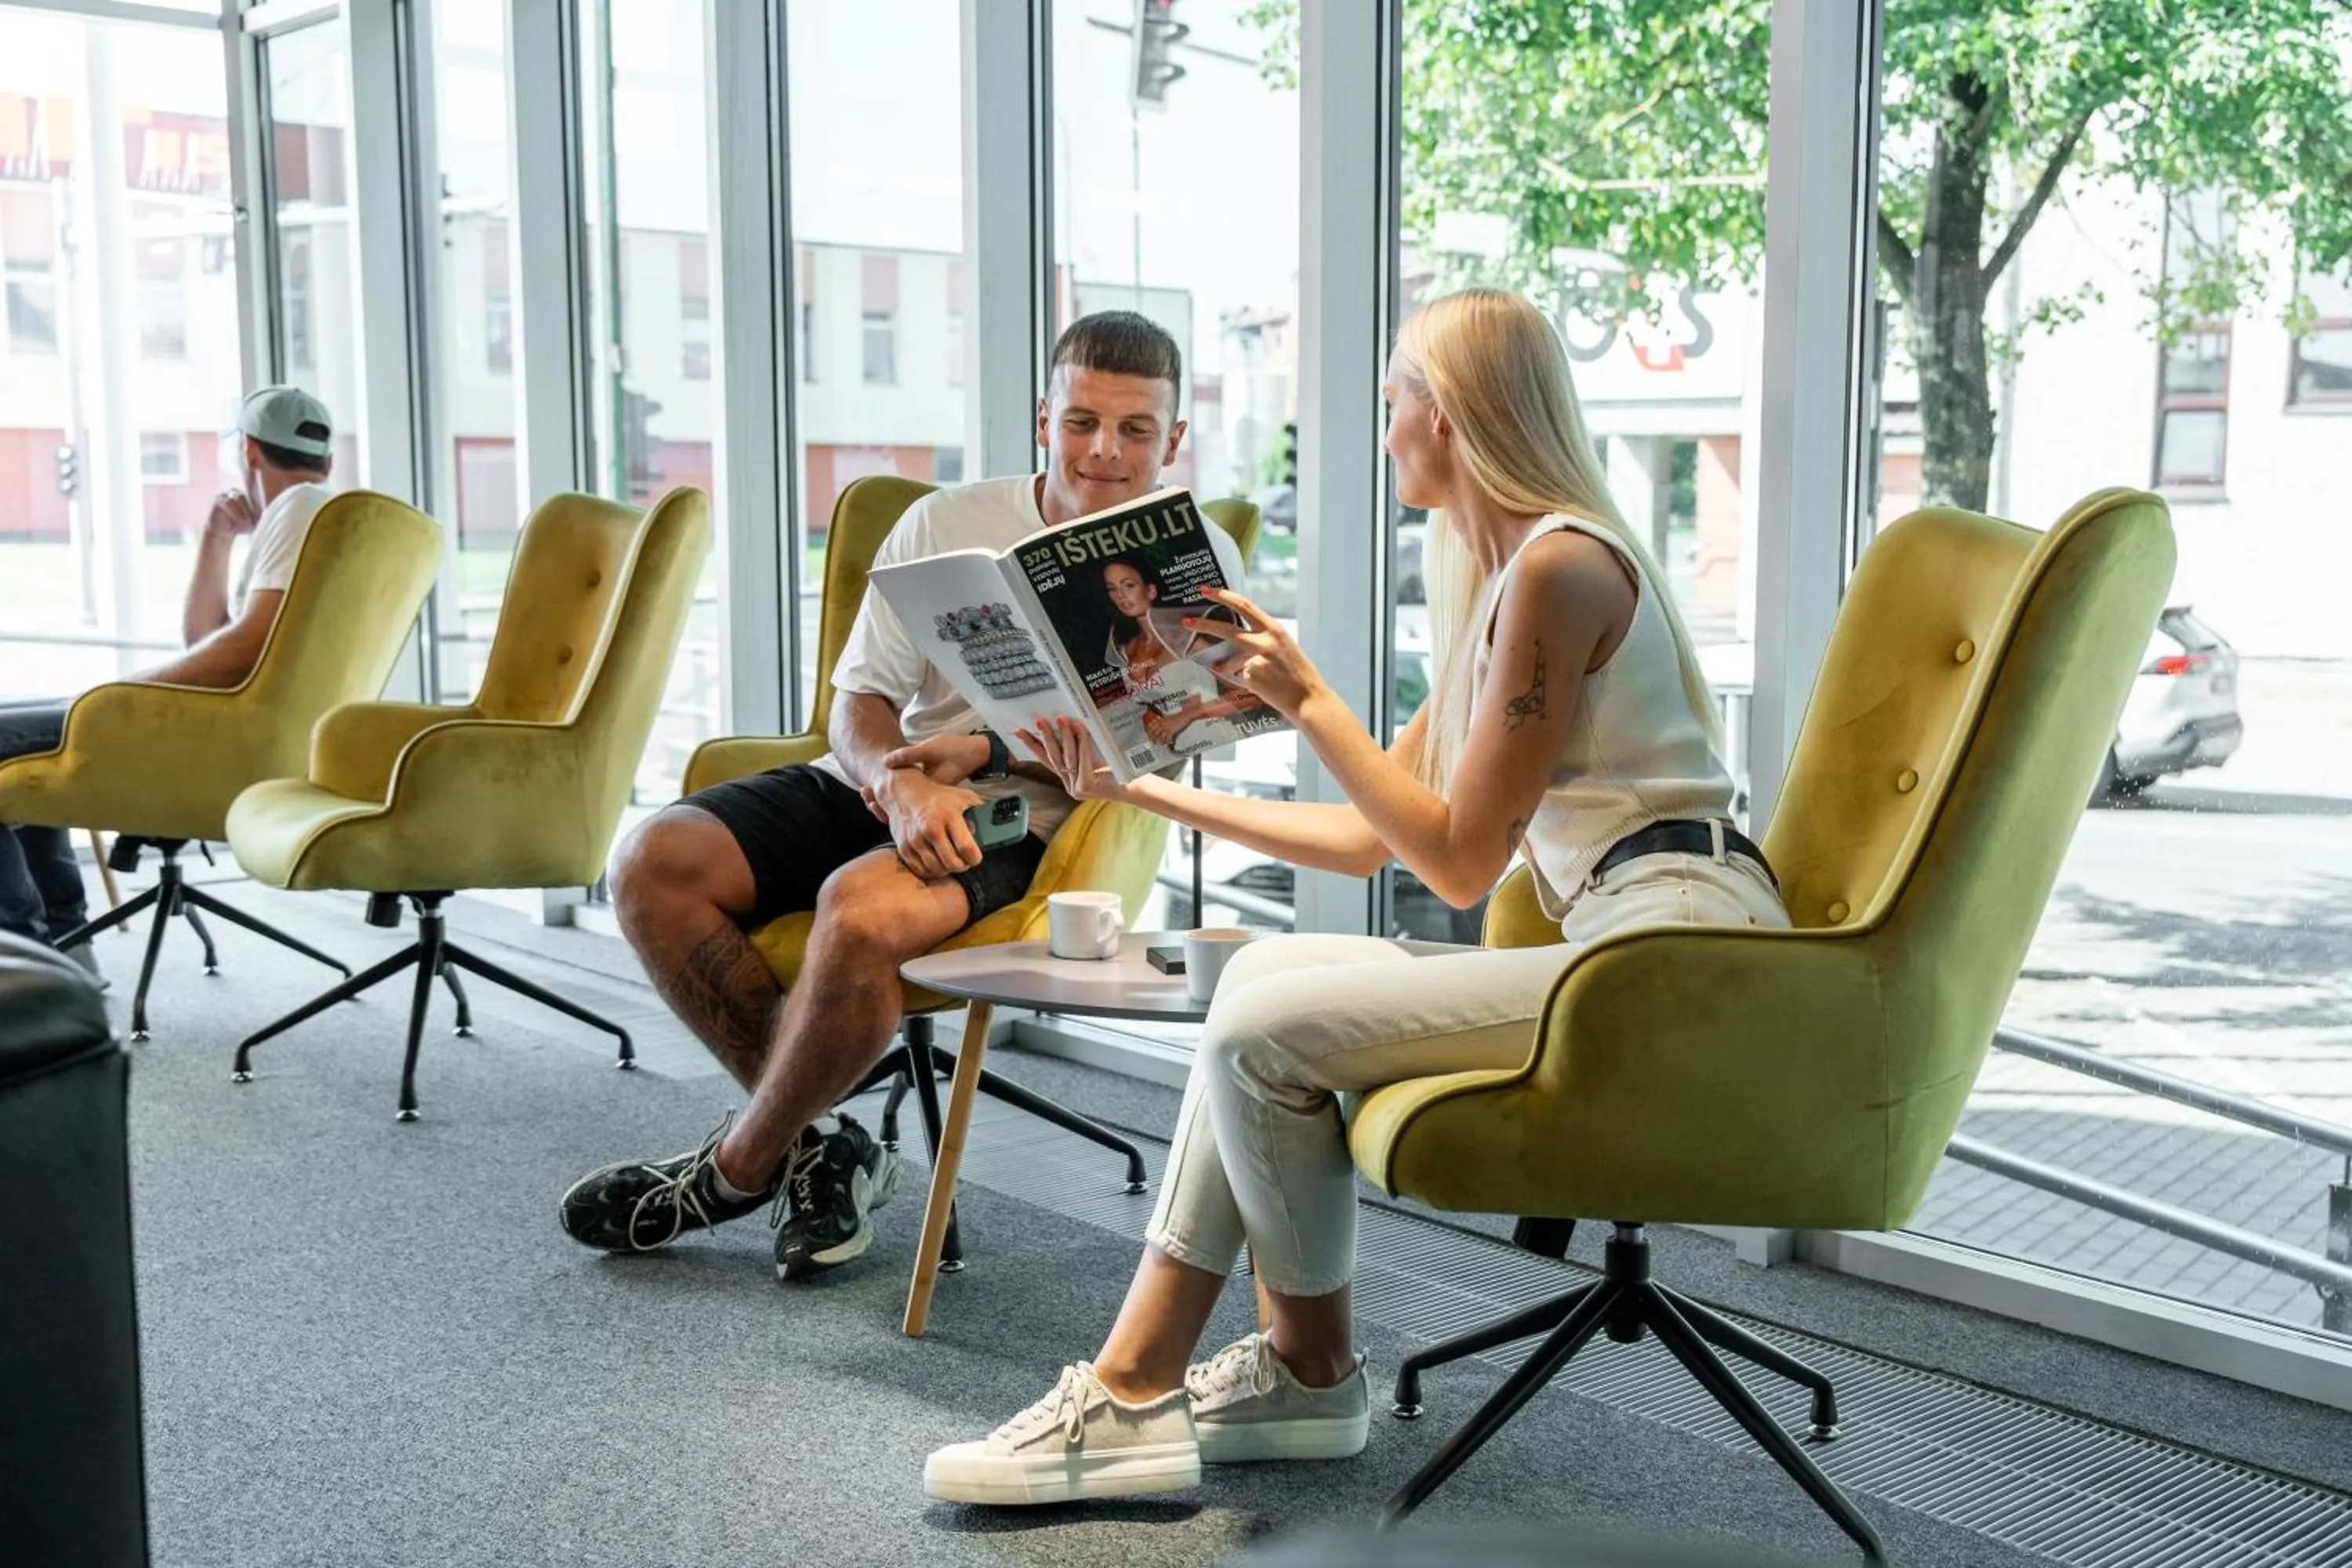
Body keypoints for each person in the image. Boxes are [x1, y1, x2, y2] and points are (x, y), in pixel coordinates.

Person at [913, 288, 1791, 1505]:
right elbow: (1364, 841)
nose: (1384, 436)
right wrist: (1134, 786)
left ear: (1449, 416)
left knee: (1260, 1028)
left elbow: (1459, 867)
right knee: (1262, 979)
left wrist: (1313, 700)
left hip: (1675, 959)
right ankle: (1303, 1374)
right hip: (1621, 942)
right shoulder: (1511, 579)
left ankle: (1142, 1388)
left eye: (1393, 406)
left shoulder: (1561, 568)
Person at [557, 311, 1192, 1283]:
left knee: (858, 912)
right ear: (1044, 419)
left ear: (1173, 439)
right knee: (650, 861)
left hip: (1038, 818)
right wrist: (896, 784)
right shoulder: (945, 523)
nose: (1104, 449)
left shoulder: (1186, 569)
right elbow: (859, 700)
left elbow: (1161, 740)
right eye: (1081, 422)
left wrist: (981, 753)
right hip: (891, 777)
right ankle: (822, 1146)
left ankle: (731, 1171)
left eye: (1135, 429)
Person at [0, 385, 339, 967]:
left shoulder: (299, 508)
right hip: (254, 733)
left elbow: (241, 652)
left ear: (248, 451)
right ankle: (65, 952)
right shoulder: (319, 511)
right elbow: (210, 640)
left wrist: (124, 693)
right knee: (19, 730)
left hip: (216, 743)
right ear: (326, 458)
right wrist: (216, 537)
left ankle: (35, 962)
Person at [1100, 557, 1263, 752]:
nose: (1120, 595)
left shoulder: (1187, 639)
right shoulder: (1125, 650)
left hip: (1214, 745)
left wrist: (1188, 714)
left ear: (1151, 591)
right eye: (1112, 589)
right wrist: (1147, 716)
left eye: (1129, 585)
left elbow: (1252, 694)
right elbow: (1146, 703)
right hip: (1168, 754)